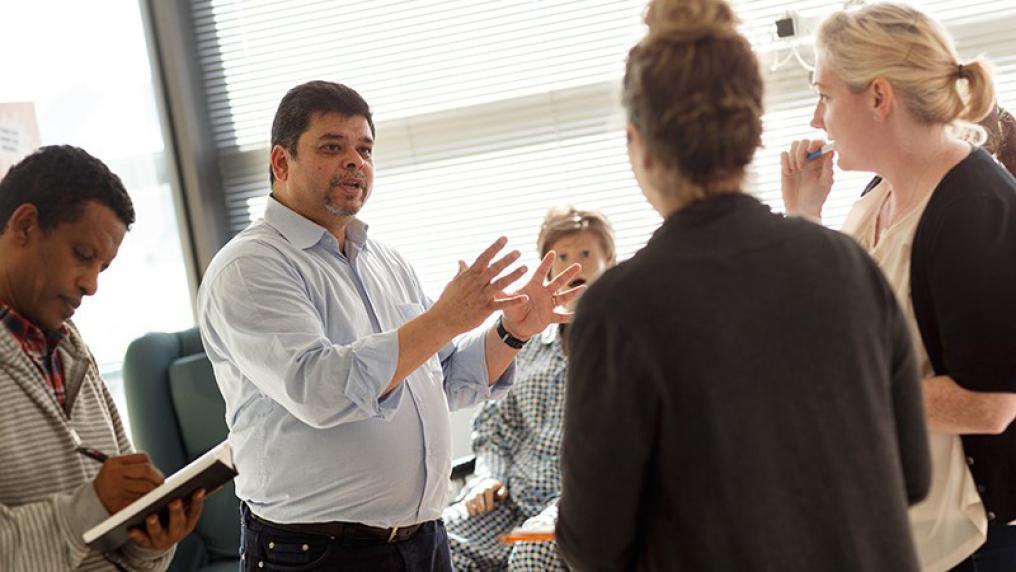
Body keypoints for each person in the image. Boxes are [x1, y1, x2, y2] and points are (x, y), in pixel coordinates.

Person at [555, 0, 932, 569]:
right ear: (752, 132)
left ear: (639, 142)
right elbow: (912, 475)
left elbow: (592, 545)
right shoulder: (847, 265)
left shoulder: (619, 310)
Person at [197, 81, 583, 571]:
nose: (355, 161)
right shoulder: (249, 268)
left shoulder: (386, 260)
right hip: (319, 554)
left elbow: (441, 378)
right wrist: (444, 319)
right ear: (281, 162)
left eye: (365, 149)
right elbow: (321, 389)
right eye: (333, 147)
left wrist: (513, 332)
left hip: (422, 542)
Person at [781, 4, 1016, 570]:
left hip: (976, 542)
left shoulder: (975, 209)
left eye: (827, 95)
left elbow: (992, 405)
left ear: (879, 97)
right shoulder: (877, 192)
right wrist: (805, 216)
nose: (818, 118)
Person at [0, 145, 204, 571]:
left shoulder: (71, 351)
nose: (91, 285)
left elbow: (107, 536)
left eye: (103, 267)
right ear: (24, 226)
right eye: (83, 256)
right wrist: (91, 506)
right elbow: (87, 514)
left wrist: (150, 541)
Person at [444, 206, 616, 571]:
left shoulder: (631, 344)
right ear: (548, 268)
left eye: (585, 254)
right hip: (514, 500)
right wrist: (487, 478)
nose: (575, 266)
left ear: (609, 260)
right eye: (563, 257)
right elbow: (493, 429)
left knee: (532, 551)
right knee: (445, 541)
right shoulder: (523, 345)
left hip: (586, 504)